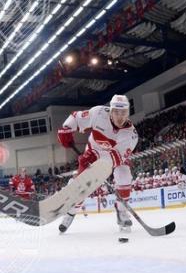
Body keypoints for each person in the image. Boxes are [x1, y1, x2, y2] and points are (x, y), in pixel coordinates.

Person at [57, 94, 138, 233]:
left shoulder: (131, 135)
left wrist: (98, 167)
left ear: (128, 112)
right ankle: (70, 213)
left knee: (124, 174)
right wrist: (66, 129)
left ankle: (122, 212)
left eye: (123, 112)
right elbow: (76, 117)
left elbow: (116, 159)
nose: (120, 116)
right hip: (93, 152)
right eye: (116, 112)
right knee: (82, 189)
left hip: (114, 157)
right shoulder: (98, 113)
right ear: (110, 110)